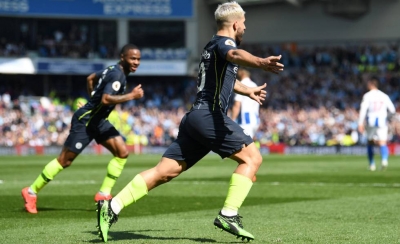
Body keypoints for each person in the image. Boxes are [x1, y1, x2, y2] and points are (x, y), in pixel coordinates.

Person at [96, 1, 283, 242]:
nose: (245, 28)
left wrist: (247, 91)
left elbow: (221, 78)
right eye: (244, 24)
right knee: (253, 158)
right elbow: (235, 54)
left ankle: (111, 207)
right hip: (209, 116)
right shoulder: (226, 44)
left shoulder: (210, 46)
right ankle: (229, 214)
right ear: (236, 24)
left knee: (163, 172)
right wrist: (260, 62)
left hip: (195, 117)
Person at [21, 44, 144, 214]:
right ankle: (31, 192)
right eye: (132, 58)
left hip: (98, 120)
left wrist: (91, 101)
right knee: (64, 161)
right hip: (86, 121)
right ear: (123, 57)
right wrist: (132, 95)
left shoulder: (113, 70)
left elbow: (90, 78)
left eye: (138, 59)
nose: (136, 62)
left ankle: (103, 194)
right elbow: (107, 99)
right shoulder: (117, 75)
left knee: (122, 153)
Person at [358, 77, 396, 171]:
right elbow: (392, 110)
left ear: (371, 84)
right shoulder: (384, 96)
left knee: (370, 142)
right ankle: (384, 160)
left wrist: (360, 123)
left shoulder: (367, 96)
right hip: (382, 121)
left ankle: (372, 164)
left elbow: (363, 110)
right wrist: (386, 117)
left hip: (371, 120)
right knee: (382, 142)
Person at [231, 68, 260, 139]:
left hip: (245, 120)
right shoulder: (254, 85)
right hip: (255, 119)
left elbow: (237, 105)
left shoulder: (242, 85)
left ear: (242, 72)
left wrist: (232, 121)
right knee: (251, 144)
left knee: (244, 146)